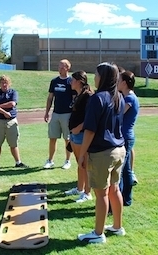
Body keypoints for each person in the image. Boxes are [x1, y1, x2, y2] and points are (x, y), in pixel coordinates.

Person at [77, 62, 126, 244]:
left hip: (102, 153)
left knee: (101, 194)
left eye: (96, 74)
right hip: (119, 150)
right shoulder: (119, 97)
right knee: (114, 189)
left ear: (103, 77)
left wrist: (82, 154)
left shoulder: (97, 99)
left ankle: (98, 234)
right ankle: (117, 226)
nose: (94, 78)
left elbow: (89, 131)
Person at [0, 75, 28, 171]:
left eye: (6, 82)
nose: (4, 84)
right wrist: (4, 112)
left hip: (11, 121)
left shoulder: (13, 92)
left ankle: (18, 162)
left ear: (9, 83)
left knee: (14, 144)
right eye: (2, 83)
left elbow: (12, 103)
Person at [64, 71, 93, 203]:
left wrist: (78, 128)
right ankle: (79, 188)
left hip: (81, 134)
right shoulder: (78, 95)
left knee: (84, 164)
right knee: (79, 163)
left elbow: (90, 117)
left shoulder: (88, 96)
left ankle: (87, 193)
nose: (70, 82)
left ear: (79, 81)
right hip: (75, 135)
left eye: (73, 79)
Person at [44, 59, 74, 170]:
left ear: (67, 68)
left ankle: (67, 161)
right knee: (52, 138)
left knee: (67, 139)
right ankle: (50, 160)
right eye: (59, 66)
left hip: (67, 114)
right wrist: (47, 112)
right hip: (56, 113)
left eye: (62, 67)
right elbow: (50, 98)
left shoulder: (71, 81)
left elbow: (75, 98)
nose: (60, 69)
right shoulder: (54, 81)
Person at [117, 70, 139, 206]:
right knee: (126, 171)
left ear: (124, 83)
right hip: (126, 136)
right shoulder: (127, 96)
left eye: (119, 80)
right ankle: (126, 199)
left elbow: (118, 114)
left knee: (119, 171)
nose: (117, 83)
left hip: (125, 137)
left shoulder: (129, 98)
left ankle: (117, 202)